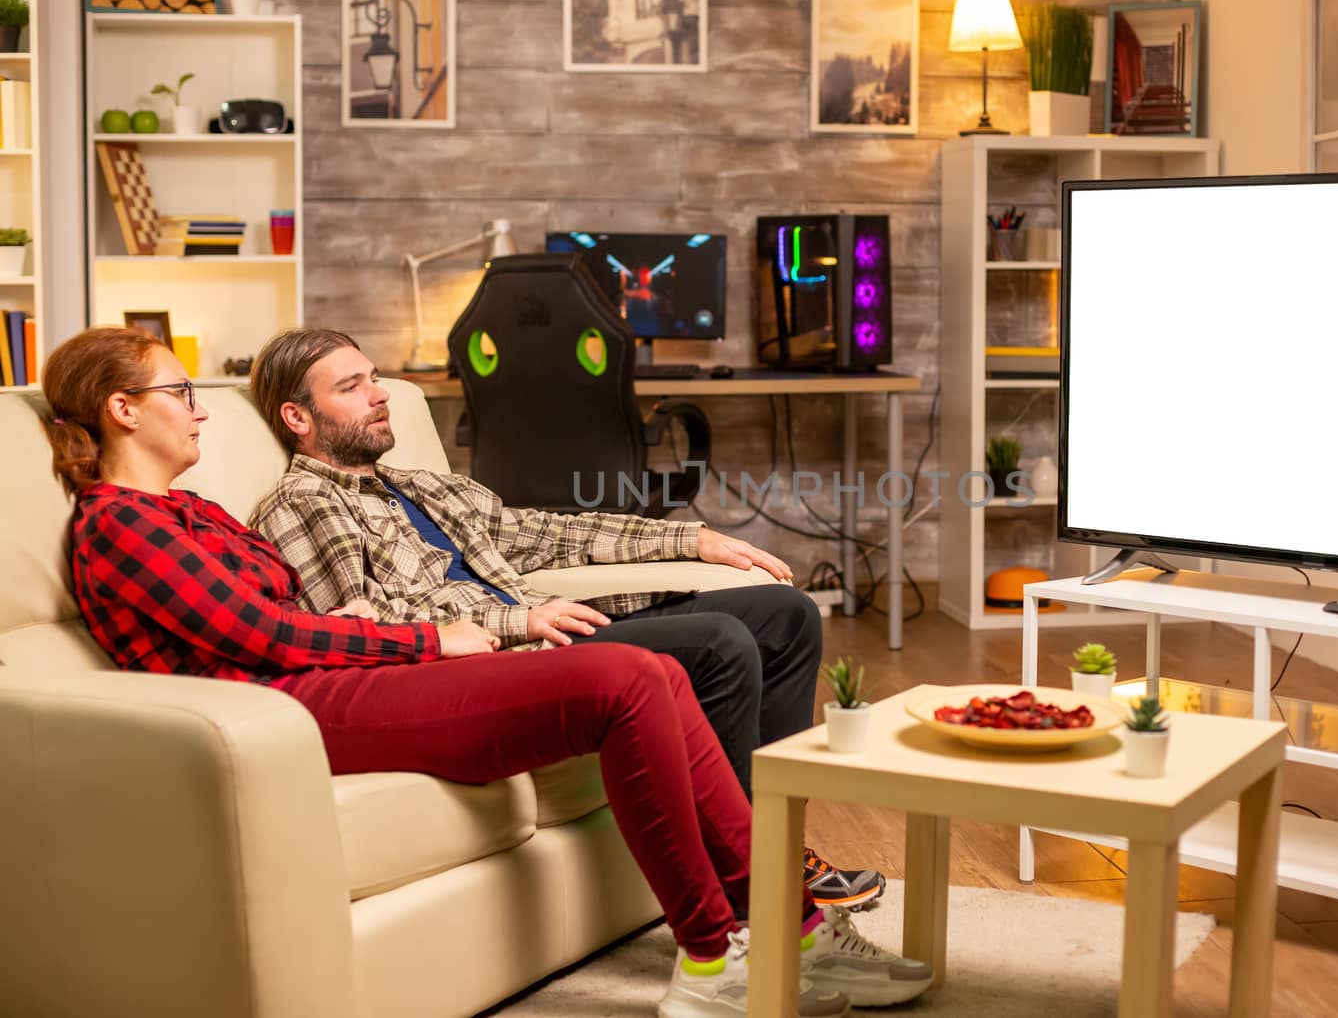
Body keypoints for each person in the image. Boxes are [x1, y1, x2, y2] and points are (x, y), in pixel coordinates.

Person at [43, 326, 932, 1018]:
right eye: (181, 392)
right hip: (290, 709)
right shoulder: (119, 523)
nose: (199, 410)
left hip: (328, 679)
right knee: (626, 677)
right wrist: (433, 639)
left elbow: (292, 614)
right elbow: (265, 633)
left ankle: (789, 927)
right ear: (124, 409)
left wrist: (686, 539)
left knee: (648, 672)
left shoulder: (191, 510)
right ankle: (709, 957)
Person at [246, 327, 882, 909]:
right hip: (505, 661)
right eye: (352, 387)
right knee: (719, 642)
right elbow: (367, 629)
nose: (379, 395)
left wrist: (689, 539)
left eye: (375, 378)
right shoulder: (300, 504)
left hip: (549, 630)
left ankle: (780, 842)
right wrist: (515, 621)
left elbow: (546, 533)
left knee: (787, 614)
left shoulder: (424, 486)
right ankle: (757, 879)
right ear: (298, 416)